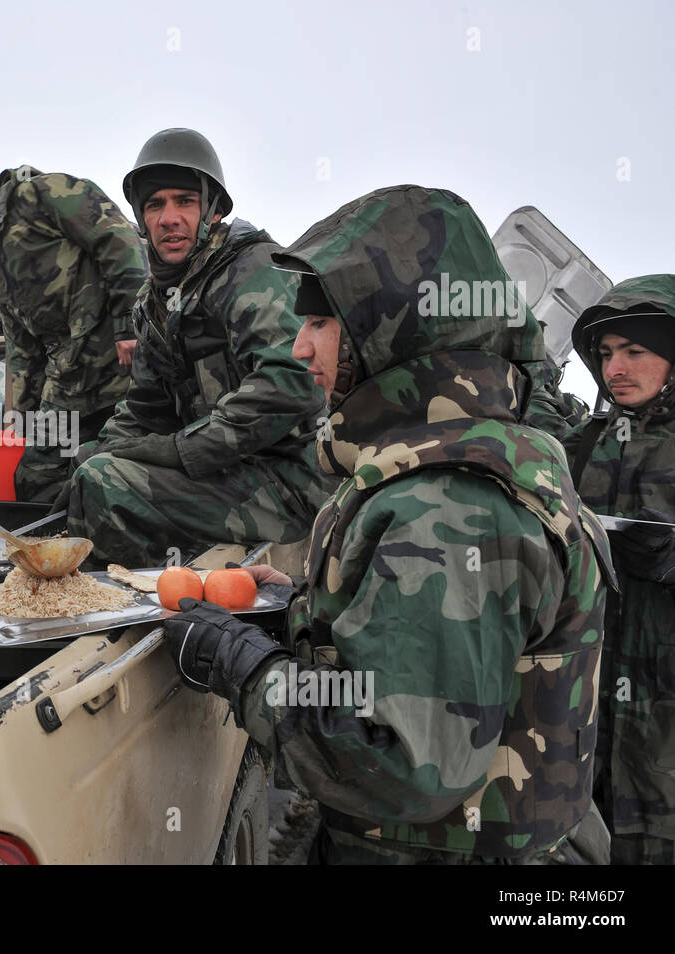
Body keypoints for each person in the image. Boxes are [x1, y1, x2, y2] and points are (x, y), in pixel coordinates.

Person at [164, 184, 613, 864]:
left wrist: (247, 667)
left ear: (388, 328)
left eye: (320, 324)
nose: (299, 347)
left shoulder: (444, 510)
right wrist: (298, 612)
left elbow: (400, 768)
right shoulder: (474, 451)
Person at [65, 128, 331, 568]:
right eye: (155, 205)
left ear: (212, 210)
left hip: (292, 484)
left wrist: (182, 450)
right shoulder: (155, 301)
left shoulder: (254, 268)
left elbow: (290, 383)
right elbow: (147, 408)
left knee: (105, 483)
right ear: (142, 218)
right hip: (227, 475)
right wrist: (93, 452)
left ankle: (150, 610)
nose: (169, 217)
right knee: (92, 466)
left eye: (184, 201)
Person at [0, 168, 148, 503]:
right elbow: (22, 351)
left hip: (126, 366)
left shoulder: (36, 195)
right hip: (69, 381)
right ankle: (58, 547)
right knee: (34, 476)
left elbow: (118, 238)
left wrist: (129, 323)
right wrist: (21, 425)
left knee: (113, 465)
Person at [569, 275, 675, 864]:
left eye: (636, 350)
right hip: (587, 701)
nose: (617, 367)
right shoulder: (585, 441)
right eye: (607, 353)